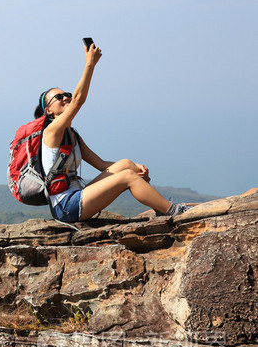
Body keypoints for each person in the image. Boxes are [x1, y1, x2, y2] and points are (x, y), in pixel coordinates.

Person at [36, 41, 189, 223]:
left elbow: (100, 164)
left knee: (126, 165)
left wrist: (135, 166)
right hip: (66, 206)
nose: (66, 97)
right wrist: (90, 64)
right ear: (48, 110)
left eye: (66, 94)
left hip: (78, 196)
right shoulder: (52, 131)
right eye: (59, 97)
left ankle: (160, 206)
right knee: (127, 177)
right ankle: (174, 212)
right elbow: (78, 100)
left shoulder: (71, 134)